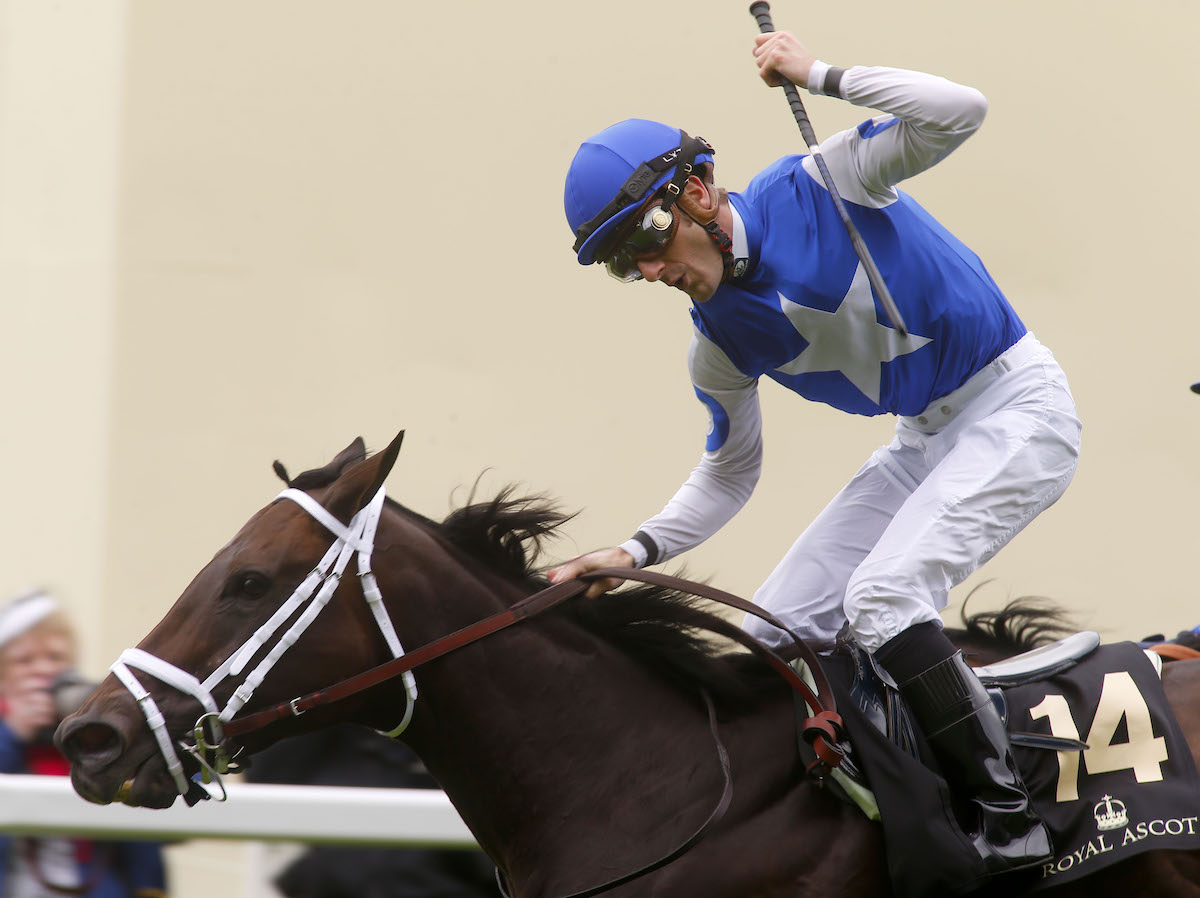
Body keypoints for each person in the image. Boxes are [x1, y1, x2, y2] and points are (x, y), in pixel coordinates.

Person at [550, 29, 1082, 876]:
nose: (649, 269)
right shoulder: (717, 344)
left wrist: (818, 74)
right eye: (622, 264)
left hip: (1018, 404)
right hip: (926, 438)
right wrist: (635, 548)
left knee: (881, 595)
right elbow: (730, 471)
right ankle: (874, 805)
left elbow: (960, 112)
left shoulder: (822, 181)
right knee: (778, 630)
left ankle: (1009, 818)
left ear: (696, 192)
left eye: (647, 237)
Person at [0, 590, 168, 898]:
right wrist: (13, 733)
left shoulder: (90, 723)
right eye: (24, 660)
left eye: (55, 657)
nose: (43, 670)